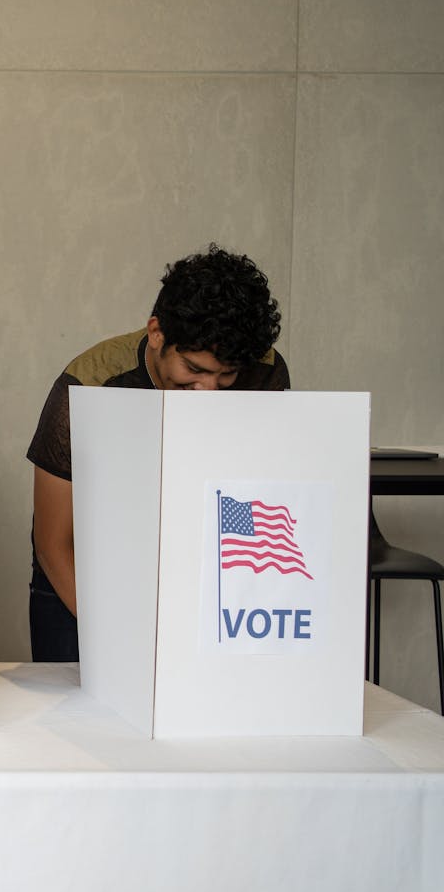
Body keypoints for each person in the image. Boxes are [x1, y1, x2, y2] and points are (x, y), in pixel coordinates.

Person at [26, 244, 290, 662]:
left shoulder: (264, 370)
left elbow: (262, 487)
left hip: (202, 575)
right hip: (82, 578)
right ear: (156, 333)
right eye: (194, 371)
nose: (208, 392)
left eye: (226, 377)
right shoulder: (89, 384)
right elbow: (53, 543)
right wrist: (117, 636)